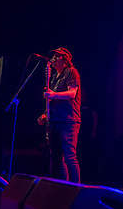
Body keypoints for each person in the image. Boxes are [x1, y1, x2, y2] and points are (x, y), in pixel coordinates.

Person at [37, 47, 81, 183]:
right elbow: (53, 100)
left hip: (68, 120)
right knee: (57, 156)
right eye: (54, 56)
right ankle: (65, 186)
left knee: (69, 156)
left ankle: (77, 188)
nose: (54, 58)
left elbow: (72, 93)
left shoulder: (71, 72)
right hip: (55, 121)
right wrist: (45, 114)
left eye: (58, 56)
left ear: (65, 60)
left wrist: (53, 94)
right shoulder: (54, 78)